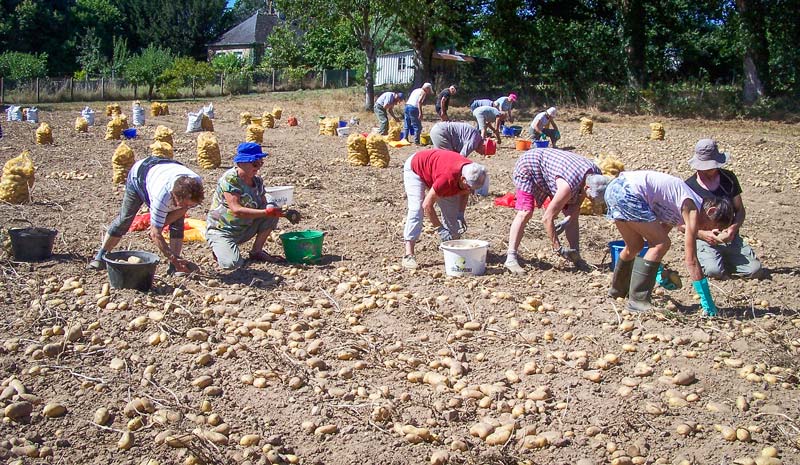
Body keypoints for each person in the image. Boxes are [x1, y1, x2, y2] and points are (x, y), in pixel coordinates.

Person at [605, 170, 736, 315]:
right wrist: (707, 301)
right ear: (711, 211)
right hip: (629, 192)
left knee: (635, 246)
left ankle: (617, 291)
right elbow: (691, 260)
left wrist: (659, 272)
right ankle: (637, 301)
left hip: (615, 189)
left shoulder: (677, 205)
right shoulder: (692, 209)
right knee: (663, 244)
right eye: (712, 227)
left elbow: (653, 242)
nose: (709, 231)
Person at [88, 156, 204, 275]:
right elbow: (155, 234)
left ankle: (175, 267)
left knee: (178, 224)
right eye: (182, 203)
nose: (185, 206)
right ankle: (101, 256)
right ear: (174, 196)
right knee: (125, 219)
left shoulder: (195, 188)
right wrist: (170, 254)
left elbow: (183, 209)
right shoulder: (162, 197)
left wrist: (162, 223)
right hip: (139, 176)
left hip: (165, 169)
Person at [505, 148, 610, 275]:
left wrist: (569, 218)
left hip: (555, 170)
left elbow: (576, 206)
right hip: (529, 166)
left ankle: (576, 256)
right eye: (592, 197)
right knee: (525, 212)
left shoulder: (595, 174)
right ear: (587, 187)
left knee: (573, 217)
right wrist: (558, 248)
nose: (591, 201)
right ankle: (511, 258)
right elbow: (547, 218)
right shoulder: (568, 187)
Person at [206, 143, 301, 270]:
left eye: (260, 163)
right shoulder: (230, 180)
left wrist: (283, 212)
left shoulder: (257, 182)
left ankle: (257, 251)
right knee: (232, 264)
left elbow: (264, 203)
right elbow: (236, 210)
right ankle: (220, 249)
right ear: (241, 163)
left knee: (271, 213)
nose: (258, 167)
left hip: (245, 228)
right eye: (254, 164)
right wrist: (268, 212)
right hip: (224, 230)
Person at [684, 139, 762, 279]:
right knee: (714, 271)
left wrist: (732, 229)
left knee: (755, 270)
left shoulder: (729, 178)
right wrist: (702, 234)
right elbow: (681, 224)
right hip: (704, 239)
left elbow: (740, 210)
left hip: (730, 237)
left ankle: (726, 259)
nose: (709, 170)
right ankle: (713, 259)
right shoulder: (689, 187)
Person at [402, 149, 489, 269]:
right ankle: (408, 254)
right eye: (470, 187)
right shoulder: (447, 178)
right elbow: (427, 205)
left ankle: (451, 249)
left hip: (438, 172)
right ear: (463, 179)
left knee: (452, 221)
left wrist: (460, 214)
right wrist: (440, 228)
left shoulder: (472, 170)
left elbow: (465, 192)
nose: (471, 191)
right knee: (417, 208)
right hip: (416, 168)